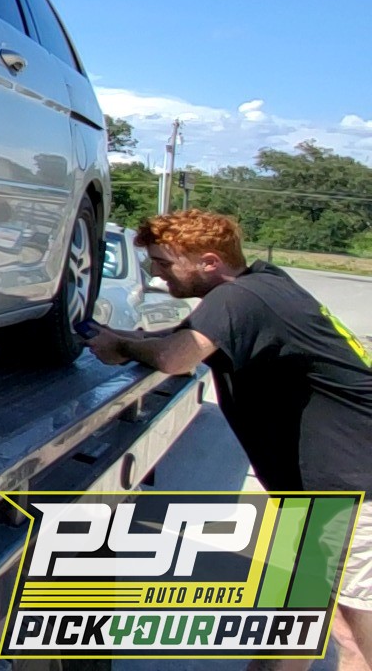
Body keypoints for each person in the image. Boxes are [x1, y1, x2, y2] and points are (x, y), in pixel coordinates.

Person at [85, 209, 372, 671]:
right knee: (290, 629)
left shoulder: (238, 299)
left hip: (356, 493)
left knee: (357, 641)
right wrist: (120, 336)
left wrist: (124, 347)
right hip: (318, 495)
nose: (156, 275)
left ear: (209, 262)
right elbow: (182, 339)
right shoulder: (260, 287)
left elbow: (175, 358)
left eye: (162, 263)